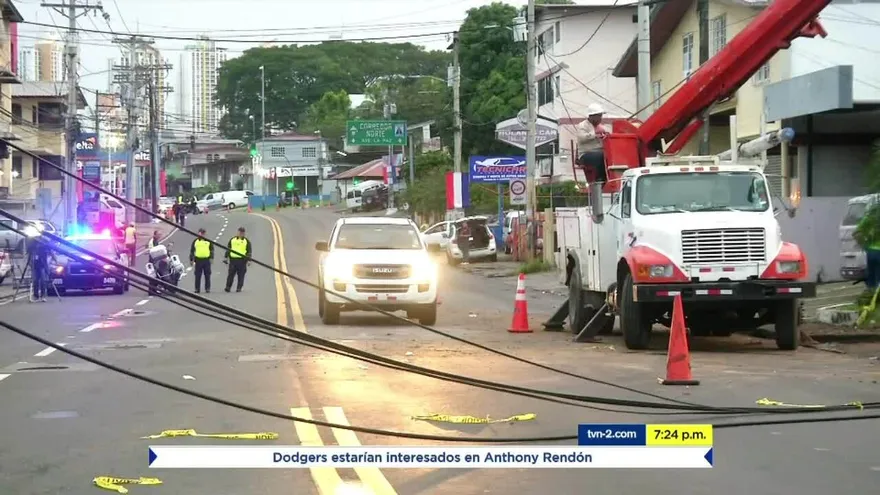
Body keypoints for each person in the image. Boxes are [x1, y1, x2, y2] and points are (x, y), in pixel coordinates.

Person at [576, 103, 610, 183]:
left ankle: (608, 178)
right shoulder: (582, 125)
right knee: (601, 156)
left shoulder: (601, 126)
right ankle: (599, 179)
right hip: (585, 154)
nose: (600, 118)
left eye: (601, 116)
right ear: (592, 116)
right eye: (599, 116)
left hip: (600, 152)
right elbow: (581, 138)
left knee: (609, 155)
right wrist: (594, 134)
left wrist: (606, 135)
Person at [28, 234, 55, 302]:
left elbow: (50, 251)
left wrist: (55, 259)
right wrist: (30, 262)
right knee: (35, 280)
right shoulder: (33, 243)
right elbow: (29, 252)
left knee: (43, 281)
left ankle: (43, 295)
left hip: (42, 265)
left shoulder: (44, 243)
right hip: (35, 265)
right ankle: (36, 295)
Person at [224, 227, 252, 292]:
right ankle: (228, 287)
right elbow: (228, 249)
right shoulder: (232, 240)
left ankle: (239, 288)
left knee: (241, 275)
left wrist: (249, 260)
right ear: (237, 232)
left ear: (244, 233)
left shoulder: (246, 241)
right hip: (233, 260)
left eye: (242, 233)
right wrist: (226, 257)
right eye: (239, 232)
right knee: (230, 275)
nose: (240, 234)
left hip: (242, 261)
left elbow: (249, 251)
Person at [190, 228, 213, 293]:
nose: (201, 235)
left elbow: (211, 250)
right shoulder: (195, 241)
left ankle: (207, 288)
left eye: (203, 233)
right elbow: (192, 251)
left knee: (207, 275)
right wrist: (191, 259)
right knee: (197, 275)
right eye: (200, 233)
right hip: (198, 260)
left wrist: (211, 258)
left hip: (206, 260)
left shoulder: (208, 241)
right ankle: (197, 289)